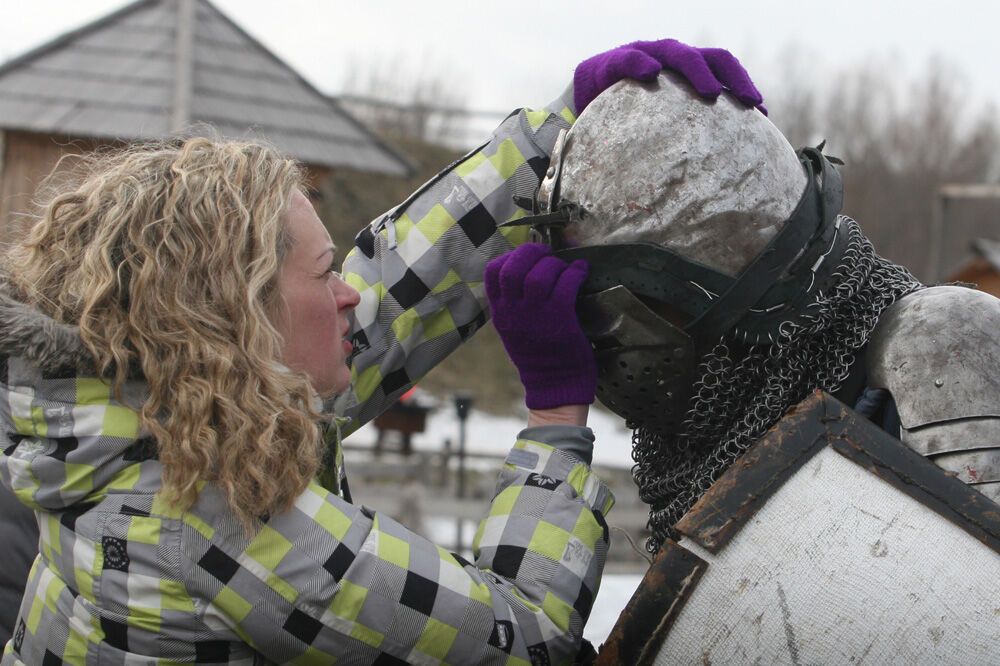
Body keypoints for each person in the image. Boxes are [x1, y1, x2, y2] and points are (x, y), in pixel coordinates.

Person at [0, 41, 764, 664]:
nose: (350, 294)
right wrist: (555, 421)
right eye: (326, 272)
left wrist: (554, 132)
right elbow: (529, 638)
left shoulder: (150, 413)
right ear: (237, 316)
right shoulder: (219, 527)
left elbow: (391, 295)